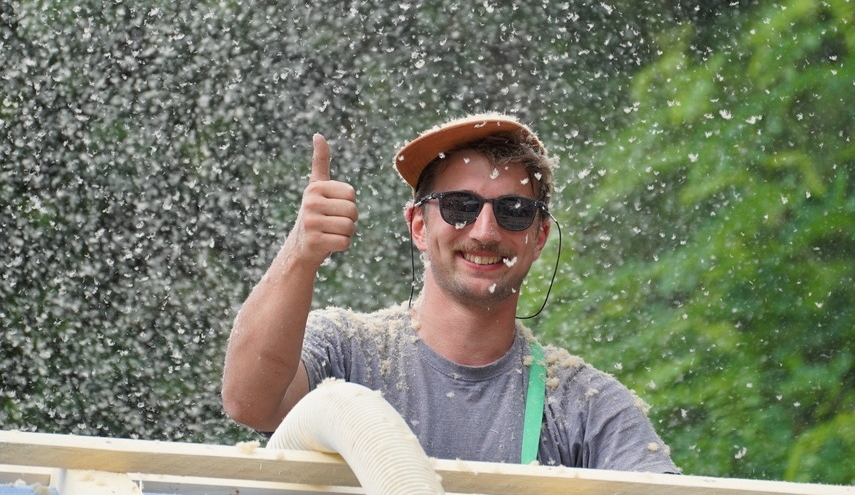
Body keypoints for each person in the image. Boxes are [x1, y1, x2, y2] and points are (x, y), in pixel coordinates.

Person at [222, 114, 679, 473]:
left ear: (539, 237)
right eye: (460, 207)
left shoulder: (583, 405)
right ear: (419, 226)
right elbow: (248, 402)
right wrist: (300, 254)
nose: (484, 231)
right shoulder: (345, 352)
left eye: (514, 211)